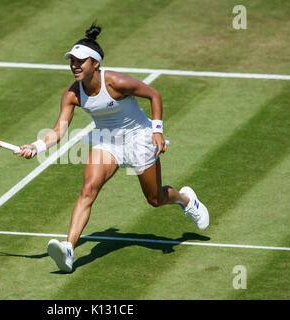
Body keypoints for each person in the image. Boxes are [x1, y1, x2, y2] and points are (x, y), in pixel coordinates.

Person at [16, 24, 209, 272]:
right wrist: (36, 146)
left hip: (139, 138)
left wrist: (157, 130)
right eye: (72, 61)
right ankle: (69, 250)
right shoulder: (72, 94)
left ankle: (185, 199)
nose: (74, 66)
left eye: (80, 61)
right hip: (107, 142)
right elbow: (58, 131)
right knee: (88, 189)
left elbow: (153, 94)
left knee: (155, 199)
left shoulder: (116, 82)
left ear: (95, 64)